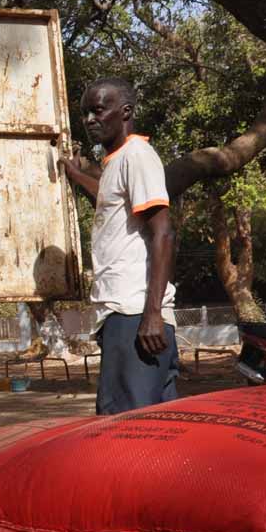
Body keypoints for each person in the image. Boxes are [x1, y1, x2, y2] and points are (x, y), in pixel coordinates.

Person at [60, 77, 178, 414]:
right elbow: (107, 199)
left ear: (125, 112)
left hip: (135, 314)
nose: (89, 120)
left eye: (98, 110)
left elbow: (163, 233)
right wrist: (75, 173)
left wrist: (152, 314)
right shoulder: (116, 162)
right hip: (124, 315)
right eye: (85, 114)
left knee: (127, 430)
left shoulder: (137, 155)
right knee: (155, 427)